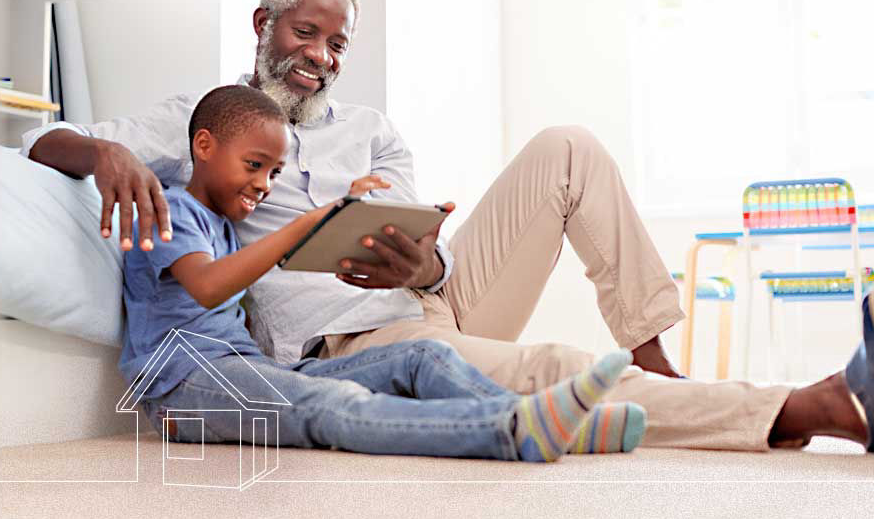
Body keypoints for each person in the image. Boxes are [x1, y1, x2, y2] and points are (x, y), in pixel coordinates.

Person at [24, 0, 872, 452]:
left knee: (566, 146)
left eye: (338, 43)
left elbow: (428, 247)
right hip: (353, 337)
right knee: (546, 367)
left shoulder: (372, 129)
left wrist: (428, 261)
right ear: (264, 24)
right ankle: (810, 405)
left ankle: (656, 362)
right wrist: (102, 152)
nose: (321, 56)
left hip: (430, 295)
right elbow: (42, 143)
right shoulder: (199, 119)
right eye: (305, 34)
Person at [120, 84, 648, 462]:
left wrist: (348, 219)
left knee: (423, 355)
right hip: (182, 389)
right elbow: (209, 284)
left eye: (275, 173)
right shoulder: (168, 209)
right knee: (337, 405)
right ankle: (508, 430)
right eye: (254, 165)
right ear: (205, 146)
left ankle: (553, 423)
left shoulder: (224, 222)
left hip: (247, 370)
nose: (264, 184)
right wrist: (309, 221)